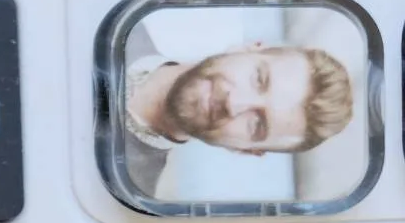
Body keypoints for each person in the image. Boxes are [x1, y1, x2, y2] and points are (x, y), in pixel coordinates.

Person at [123, 32, 355, 162]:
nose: (234, 103)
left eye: (257, 124)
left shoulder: (127, 198)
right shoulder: (121, 23)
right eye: (259, 79)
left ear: (245, 150)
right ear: (248, 48)